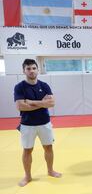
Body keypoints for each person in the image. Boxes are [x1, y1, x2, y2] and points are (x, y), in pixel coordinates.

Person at [14, 59, 61, 187]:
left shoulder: (44, 85)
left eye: (34, 68)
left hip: (44, 123)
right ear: (24, 70)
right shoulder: (19, 87)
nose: (31, 71)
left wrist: (31, 102)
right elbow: (20, 106)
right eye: (28, 69)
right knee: (27, 150)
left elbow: (51, 103)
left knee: (48, 147)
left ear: (37, 69)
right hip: (27, 124)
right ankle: (28, 176)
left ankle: (50, 170)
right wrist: (42, 103)